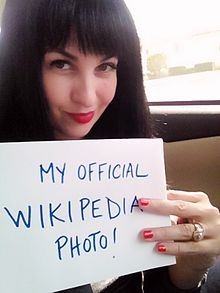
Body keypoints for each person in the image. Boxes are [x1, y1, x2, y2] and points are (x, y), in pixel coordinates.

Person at [0, 1, 219, 292]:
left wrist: (185, 275)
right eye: (61, 63)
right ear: (18, 65)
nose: (88, 97)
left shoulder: (121, 158)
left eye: (105, 66)